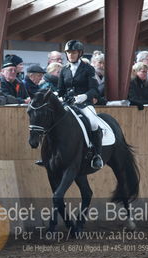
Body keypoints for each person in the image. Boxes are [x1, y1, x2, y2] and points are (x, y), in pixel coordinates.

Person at [58, 40, 103, 169]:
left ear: (80, 53)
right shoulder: (64, 70)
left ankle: (97, 155)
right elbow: (60, 89)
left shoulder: (88, 69)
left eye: (73, 52)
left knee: (93, 123)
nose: (71, 55)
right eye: (68, 52)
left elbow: (94, 89)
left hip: (84, 104)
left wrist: (84, 96)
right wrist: (58, 97)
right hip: (67, 104)